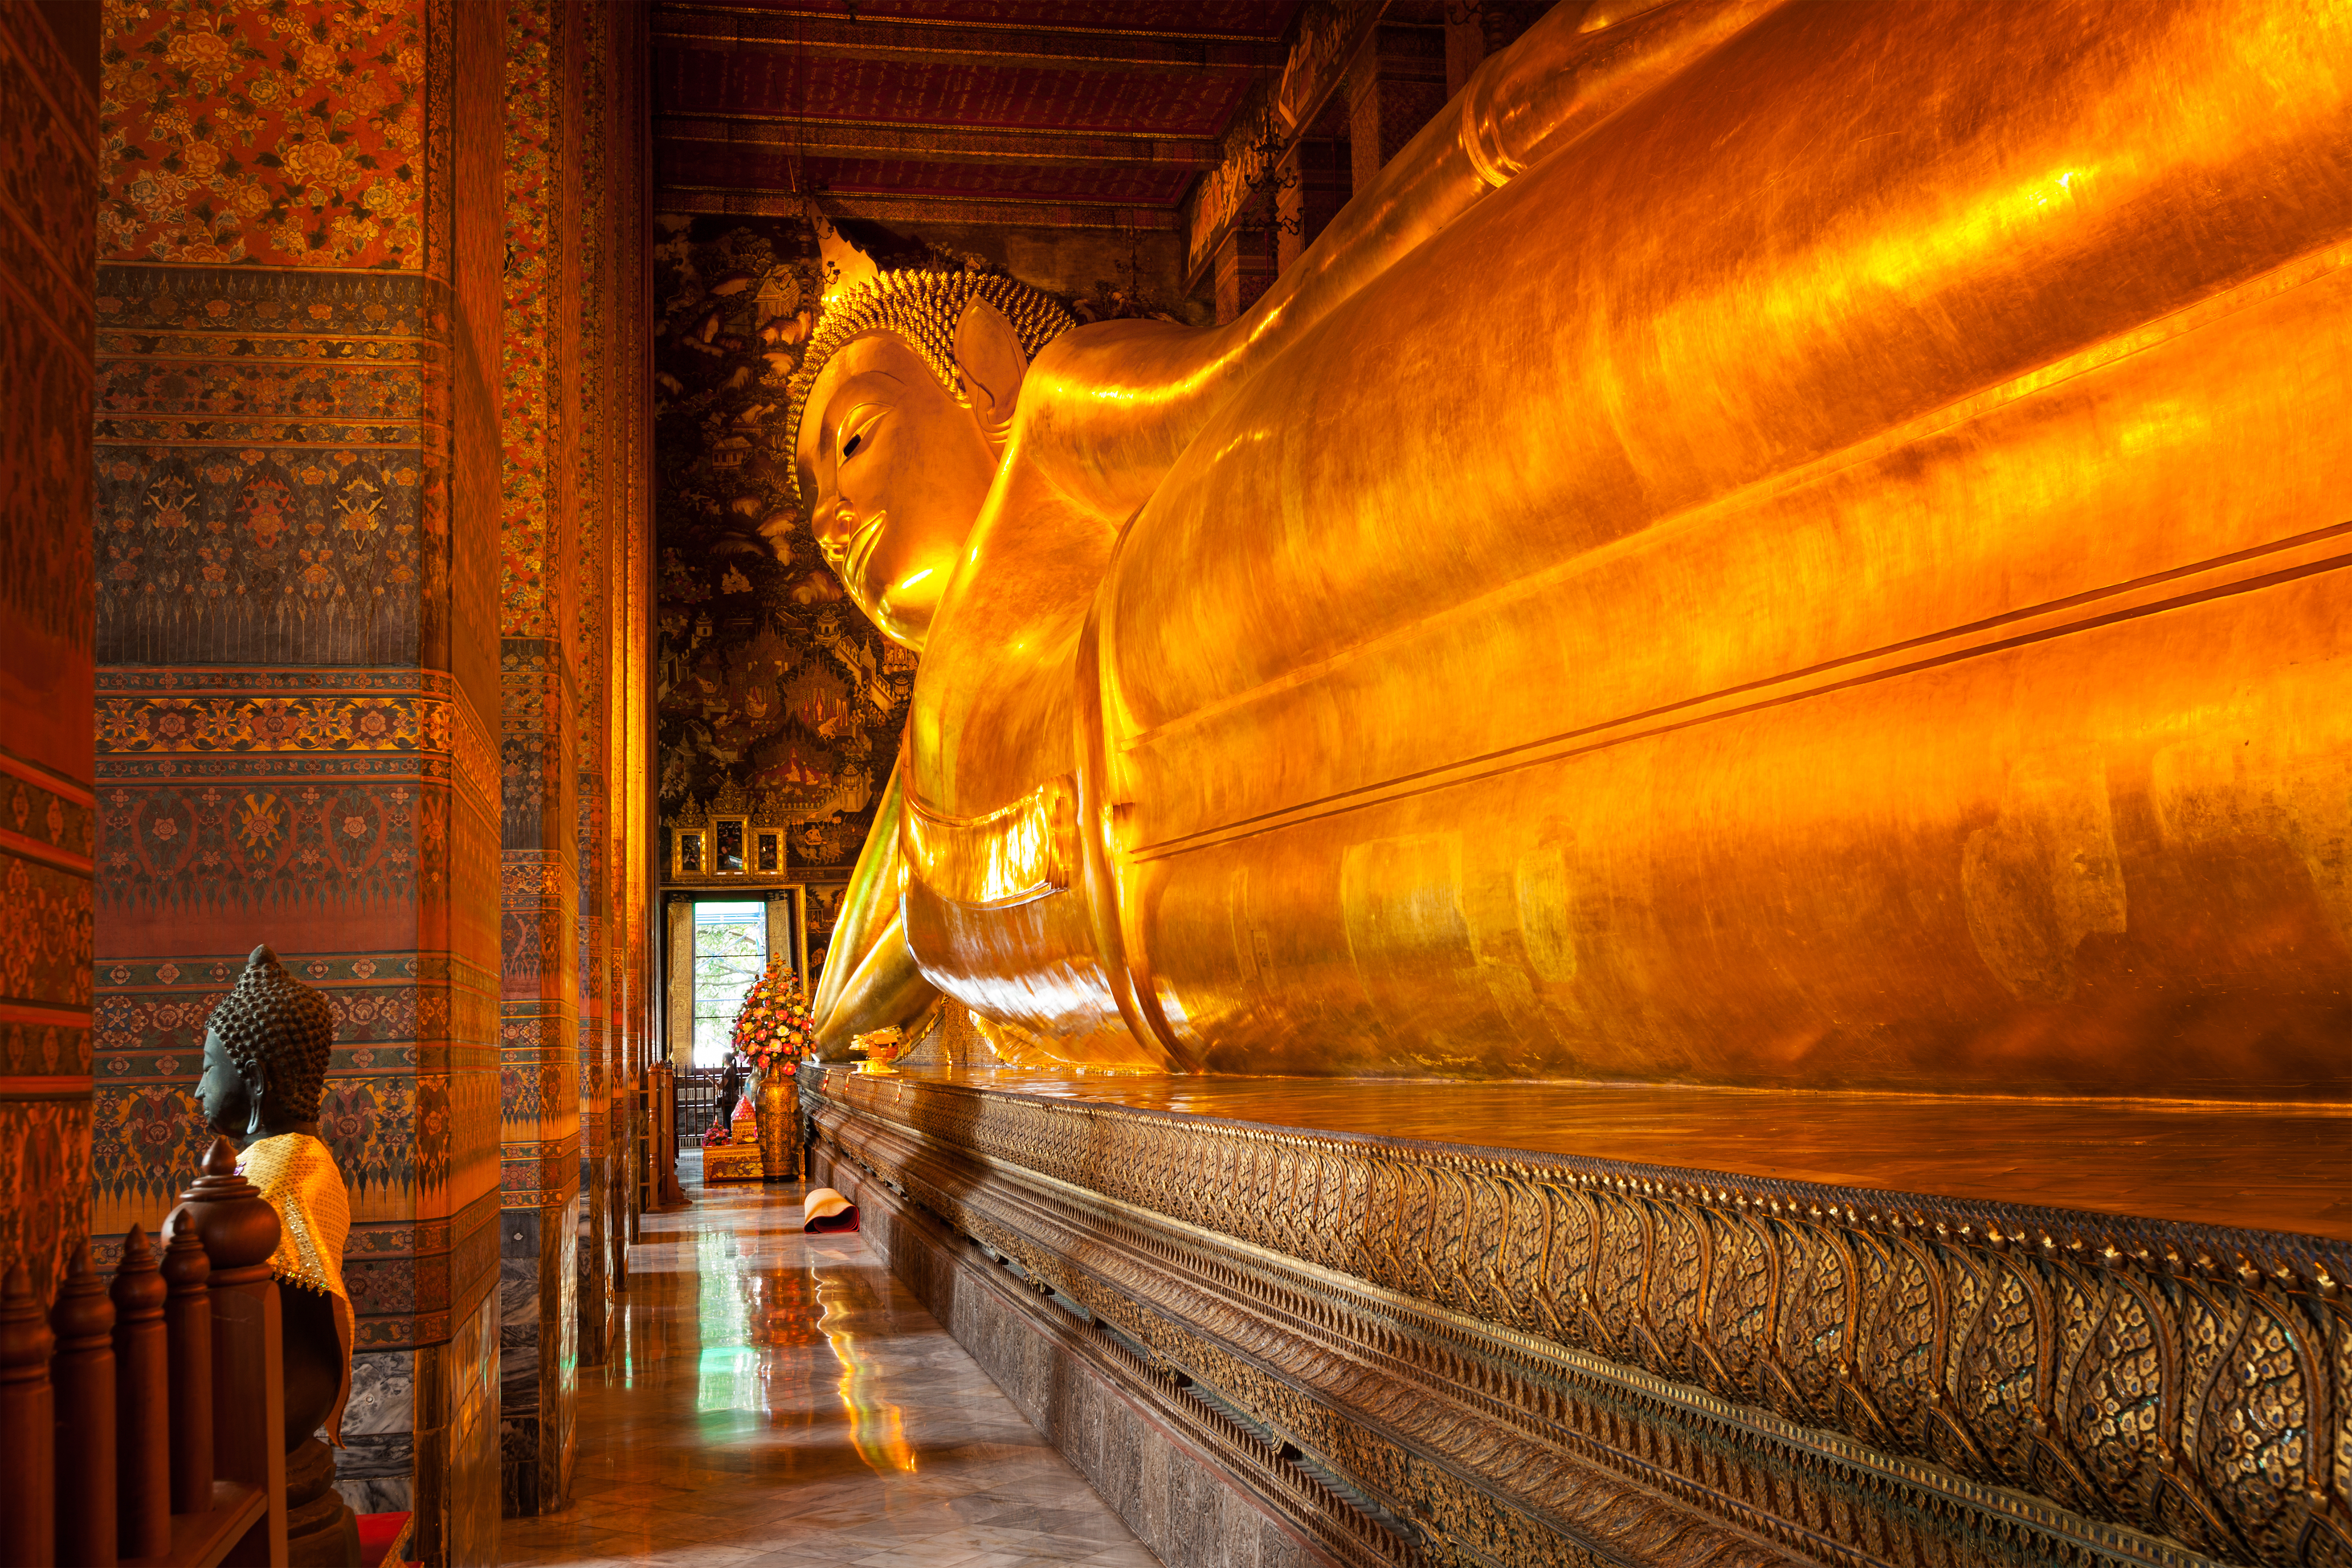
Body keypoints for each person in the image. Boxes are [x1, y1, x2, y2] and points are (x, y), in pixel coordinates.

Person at [794, 0, 2352, 1096]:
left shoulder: (1068, 434)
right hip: (1230, 919)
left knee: (1737, 362)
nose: (834, 520)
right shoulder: (918, 788)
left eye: (853, 442)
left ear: (981, 380)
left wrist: (1506, 137)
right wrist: (821, 1032)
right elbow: (892, 956)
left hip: (1201, 622)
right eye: (809, 508)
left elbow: (1272, 348)